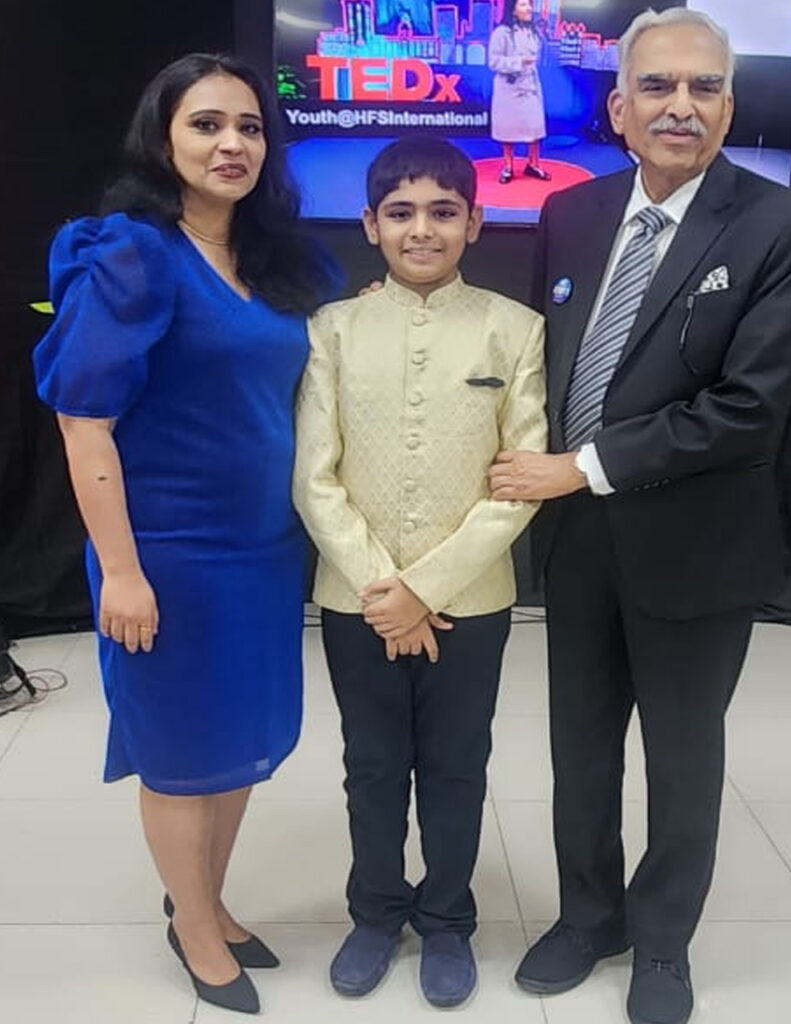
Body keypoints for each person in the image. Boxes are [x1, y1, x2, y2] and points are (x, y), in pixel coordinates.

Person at [488, 8, 791, 1024]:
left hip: (696, 543)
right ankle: (588, 916)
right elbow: (545, 369)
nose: (680, 105)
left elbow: (749, 406)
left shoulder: (785, 227)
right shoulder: (572, 212)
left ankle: (665, 939)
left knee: (682, 756)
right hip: (577, 540)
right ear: (618, 108)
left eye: (703, 87)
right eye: (657, 85)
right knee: (580, 746)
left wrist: (579, 466)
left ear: (727, 105)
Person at [32, 53, 337, 1015]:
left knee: (240, 739)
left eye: (249, 127)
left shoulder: (275, 261)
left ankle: (206, 898)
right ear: (162, 139)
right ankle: (195, 927)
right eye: (206, 125)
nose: (231, 144)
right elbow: (84, 423)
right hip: (165, 555)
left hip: (263, 552)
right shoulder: (128, 254)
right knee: (178, 750)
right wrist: (121, 572)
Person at [292, 136, 547, 1009]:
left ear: (475, 222)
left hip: (471, 600)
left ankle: (447, 919)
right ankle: (374, 913)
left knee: (456, 766)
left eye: (443, 212)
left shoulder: (517, 329)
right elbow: (313, 477)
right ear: (370, 224)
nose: (422, 230)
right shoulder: (331, 329)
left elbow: (520, 481)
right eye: (400, 213)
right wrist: (384, 589)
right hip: (354, 598)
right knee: (371, 765)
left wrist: (423, 591)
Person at [489, 0, 551, 184]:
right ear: (513, 9)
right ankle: (508, 167)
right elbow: (493, 62)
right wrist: (518, 62)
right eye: (523, 4)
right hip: (509, 87)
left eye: (529, 4)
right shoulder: (502, 32)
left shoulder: (533, 31)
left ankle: (533, 164)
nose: (529, 8)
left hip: (529, 85)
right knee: (508, 128)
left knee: (535, 126)